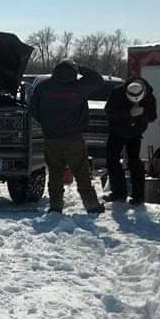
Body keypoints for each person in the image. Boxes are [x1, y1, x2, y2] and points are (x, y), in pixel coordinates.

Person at [29, 59, 105, 214]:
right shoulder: (78, 87)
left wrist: (46, 122)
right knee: (81, 171)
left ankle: (55, 206)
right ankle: (91, 205)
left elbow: (33, 111)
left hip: (51, 138)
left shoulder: (43, 87)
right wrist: (81, 68)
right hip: (73, 138)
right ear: (73, 72)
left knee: (55, 172)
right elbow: (98, 80)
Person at [103, 79, 157, 205]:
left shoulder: (149, 97)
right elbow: (109, 111)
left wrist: (143, 113)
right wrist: (128, 113)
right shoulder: (117, 93)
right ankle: (118, 193)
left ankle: (138, 196)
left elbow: (153, 116)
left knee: (135, 162)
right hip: (117, 132)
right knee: (112, 160)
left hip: (135, 133)